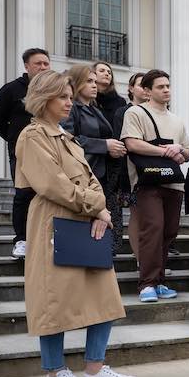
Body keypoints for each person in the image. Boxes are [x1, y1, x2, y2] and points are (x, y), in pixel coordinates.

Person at [16, 69, 135, 377]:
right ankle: (55, 373)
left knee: (104, 294)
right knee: (53, 297)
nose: (70, 103)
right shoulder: (32, 136)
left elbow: (91, 180)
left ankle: (95, 367)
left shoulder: (66, 137)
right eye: (63, 97)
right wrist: (97, 207)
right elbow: (52, 185)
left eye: (70, 96)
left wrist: (102, 211)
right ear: (44, 98)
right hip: (54, 220)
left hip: (87, 218)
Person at [120, 69, 189, 303]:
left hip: (174, 185)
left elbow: (188, 151)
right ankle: (147, 284)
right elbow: (131, 144)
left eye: (168, 86)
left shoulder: (177, 120)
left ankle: (159, 281)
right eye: (161, 87)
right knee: (153, 229)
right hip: (146, 182)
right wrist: (165, 151)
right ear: (148, 91)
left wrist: (180, 151)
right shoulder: (135, 112)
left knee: (169, 232)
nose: (166, 90)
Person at [0, 48, 50, 258]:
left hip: (49, 150)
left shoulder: (52, 89)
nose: (43, 67)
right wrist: (13, 138)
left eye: (46, 63)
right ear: (27, 66)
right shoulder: (11, 89)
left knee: (48, 193)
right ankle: (21, 240)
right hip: (22, 151)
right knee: (24, 194)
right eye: (38, 64)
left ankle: (45, 238)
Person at [61, 66, 127, 205]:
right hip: (82, 173)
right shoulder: (70, 107)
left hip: (103, 174)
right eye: (89, 81)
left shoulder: (95, 109)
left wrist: (112, 149)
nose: (94, 86)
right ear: (77, 83)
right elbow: (66, 139)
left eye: (95, 82)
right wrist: (105, 145)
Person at [110, 73, 147, 255]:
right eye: (141, 85)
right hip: (130, 170)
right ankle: (140, 256)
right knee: (137, 214)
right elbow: (121, 142)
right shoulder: (122, 112)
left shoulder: (154, 111)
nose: (145, 89)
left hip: (152, 171)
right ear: (131, 88)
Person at [93, 61, 127, 130]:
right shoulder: (88, 99)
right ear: (93, 74)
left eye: (109, 72)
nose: (106, 74)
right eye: (102, 71)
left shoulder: (120, 101)